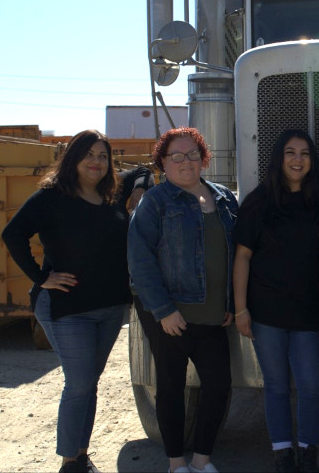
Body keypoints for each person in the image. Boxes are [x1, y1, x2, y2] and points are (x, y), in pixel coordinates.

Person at [1, 130, 134, 473]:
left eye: (103, 156)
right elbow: (12, 234)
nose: (96, 161)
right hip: (66, 308)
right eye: (89, 154)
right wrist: (41, 277)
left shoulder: (110, 200)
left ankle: (80, 454)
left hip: (109, 308)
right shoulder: (51, 197)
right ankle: (70, 462)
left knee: (90, 381)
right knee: (79, 383)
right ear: (73, 158)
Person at [128, 127, 238, 473]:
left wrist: (232, 303)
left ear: (204, 158)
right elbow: (140, 260)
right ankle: (177, 464)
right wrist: (163, 310)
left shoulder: (224, 199)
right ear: (163, 162)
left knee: (219, 386)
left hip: (213, 315)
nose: (185, 162)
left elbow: (236, 255)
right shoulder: (156, 201)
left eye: (192, 154)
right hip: (170, 316)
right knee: (172, 387)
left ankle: (203, 461)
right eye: (176, 156)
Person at [232, 130, 319, 472]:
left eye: (304, 153)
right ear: (279, 158)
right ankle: (282, 454)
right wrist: (241, 308)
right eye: (290, 152)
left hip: (307, 311)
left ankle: (307, 453)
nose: (297, 159)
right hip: (265, 312)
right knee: (275, 386)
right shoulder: (258, 202)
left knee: (310, 387)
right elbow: (242, 256)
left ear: (312, 160)